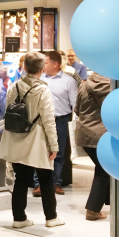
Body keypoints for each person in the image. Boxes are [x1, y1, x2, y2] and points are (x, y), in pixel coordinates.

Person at [0, 51, 64, 228]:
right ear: (42, 69)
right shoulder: (42, 89)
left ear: (25, 67)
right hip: (37, 139)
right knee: (46, 178)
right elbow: (48, 119)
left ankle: (19, 218)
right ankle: (51, 218)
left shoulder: (14, 87)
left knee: (21, 178)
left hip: (16, 136)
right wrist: (54, 144)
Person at [40, 51, 78, 196]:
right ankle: (39, 183)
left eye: (46, 62)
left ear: (55, 64)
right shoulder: (40, 79)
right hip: (43, 120)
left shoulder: (69, 81)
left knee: (59, 153)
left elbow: (74, 102)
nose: (44, 65)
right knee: (42, 151)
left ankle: (56, 182)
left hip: (62, 119)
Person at [75, 73, 111, 221]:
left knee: (103, 168)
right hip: (102, 133)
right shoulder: (111, 87)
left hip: (84, 133)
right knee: (104, 170)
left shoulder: (84, 85)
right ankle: (93, 209)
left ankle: (108, 200)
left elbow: (77, 110)